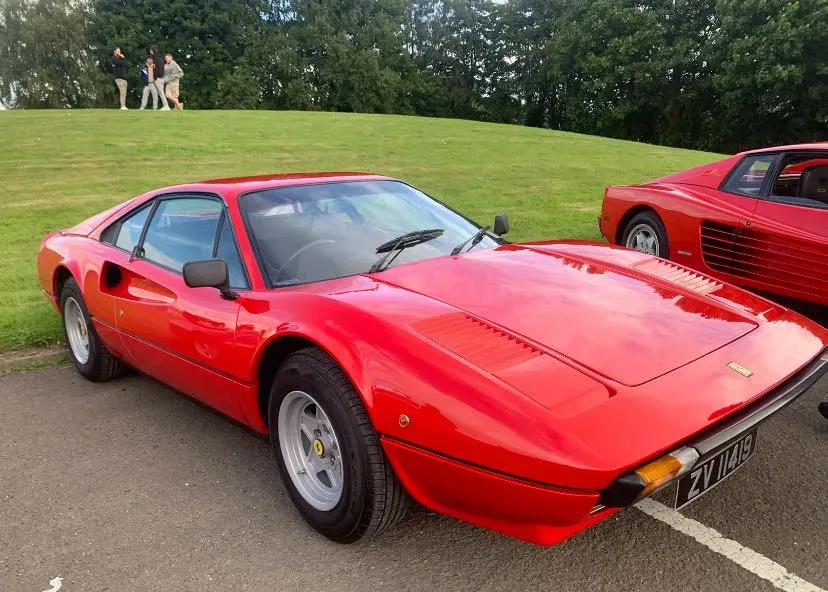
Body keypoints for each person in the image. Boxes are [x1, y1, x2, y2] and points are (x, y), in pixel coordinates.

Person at [150, 46, 171, 111]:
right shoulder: (161, 58)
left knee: (161, 93)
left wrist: (155, 77)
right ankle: (166, 106)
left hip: (158, 78)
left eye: (150, 50)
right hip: (162, 78)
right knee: (161, 93)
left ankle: (166, 106)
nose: (150, 51)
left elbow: (155, 69)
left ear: (152, 51)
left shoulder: (154, 58)